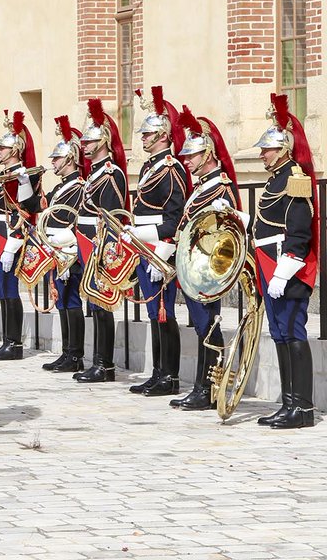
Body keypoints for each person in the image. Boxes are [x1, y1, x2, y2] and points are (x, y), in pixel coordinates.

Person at [252, 94, 319, 429]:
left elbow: (298, 230)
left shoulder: (294, 177)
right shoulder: (274, 179)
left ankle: (303, 408)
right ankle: (288, 402)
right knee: (279, 333)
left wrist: (285, 269)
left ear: (284, 149)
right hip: (269, 264)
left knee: (293, 332)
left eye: (268, 149)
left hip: (285, 266)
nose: (263, 154)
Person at [168, 106, 242, 411]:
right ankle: (203, 386)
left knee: (208, 326)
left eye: (192, 155)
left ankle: (208, 388)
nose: (187, 160)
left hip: (208, 268)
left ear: (208, 154)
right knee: (202, 326)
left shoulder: (220, 188)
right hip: (195, 266)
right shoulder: (203, 186)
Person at [123, 86, 188, 397]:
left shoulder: (172, 169)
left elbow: (175, 217)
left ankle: (170, 376)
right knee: (152, 312)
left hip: (159, 247)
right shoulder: (150, 167)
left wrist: (164, 247)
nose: (143, 139)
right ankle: (158, 371)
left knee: (165, 312)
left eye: (148, 134)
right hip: (145, 245)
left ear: (163, 136)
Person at [72, 99, 129, 383]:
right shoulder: (94, 173)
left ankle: (104, 363)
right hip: (85, 243)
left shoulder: (110, 173)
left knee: (102, 304)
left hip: (98, 245)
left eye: (90, 140)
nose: (84, 144)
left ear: (103, 141)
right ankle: (97, 361)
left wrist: (103, 252)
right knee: (93, 305)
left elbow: (112, 217)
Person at [0, 111, 42, 361]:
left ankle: (14, 343)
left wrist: (13, 244)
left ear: (15, 150)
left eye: (2, 148)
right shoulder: (1, 177)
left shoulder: (23, 176)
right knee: (1, 292)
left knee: (9, 291)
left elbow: (26, 211)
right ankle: (8, 340)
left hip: (7, 237)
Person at [41, 115, 86, 373]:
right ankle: (67, 351)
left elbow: (71, 219)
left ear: (69, 159)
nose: (53, 163)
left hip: (68, 249)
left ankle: (75, 354)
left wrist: (64, 248)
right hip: (56, 248)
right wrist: (25, 185)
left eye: (57, 159)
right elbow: (40, 206)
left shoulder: (78, 186)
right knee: (62, 301)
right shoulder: (61, 187)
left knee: (71, 301)